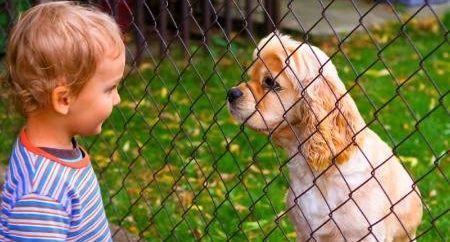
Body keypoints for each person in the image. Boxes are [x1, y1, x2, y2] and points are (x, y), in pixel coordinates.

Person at [0, 1, 125, 241]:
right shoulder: (41, 195)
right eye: (109, 89)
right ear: (64, 99)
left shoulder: (55, 151)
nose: (118, 99)